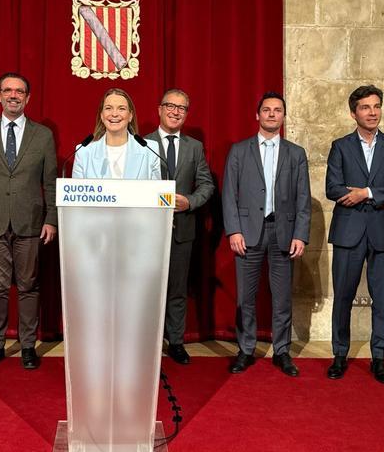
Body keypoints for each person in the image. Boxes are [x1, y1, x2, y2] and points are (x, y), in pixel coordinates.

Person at [0, 72, 57, 370]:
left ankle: (28, 345)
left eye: (20, 91)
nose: (14, 95)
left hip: (30, 223)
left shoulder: (42, 135)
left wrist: (51, 219)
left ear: (28, 97)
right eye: (8, 90)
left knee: (29, 285)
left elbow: (51, 183)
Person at [325, 85, 384, 384]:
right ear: (354, 113)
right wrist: (382, 198)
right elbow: (333, 188)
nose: (372, 112)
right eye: (365, 107)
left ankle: (379, 359)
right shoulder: (340, 146)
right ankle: (339, 355)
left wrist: (366, 193)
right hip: (349, 231)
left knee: (383, 298)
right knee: (343, 297)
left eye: (376, 106)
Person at [222, 92, 311, 376]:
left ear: (284, 117)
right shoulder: (239, 150)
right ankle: (246, 349)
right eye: (267, 110)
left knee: (282, 297)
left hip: (283, 232)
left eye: (278, 110)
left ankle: (282, 351)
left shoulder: (296, 154)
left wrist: (300, 234)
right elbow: (228, 195)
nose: (272, 114)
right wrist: (234, 230)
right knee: (245, 297)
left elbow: (303, 198)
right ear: (257, 115)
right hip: (247, 233)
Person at [143, 89, 214, 364]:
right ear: (159, 109)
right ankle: (146, 343)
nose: (175, 112)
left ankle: (176, 342)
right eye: (170, 106)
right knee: (146, 289)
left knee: (177, 289)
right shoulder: (140, 143)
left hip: (182, 229)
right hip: (146, 231)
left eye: (181, 108)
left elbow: (207, 184)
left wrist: (191, 202)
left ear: (187, 114)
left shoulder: (194, 147)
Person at [72, 88, 162, 180]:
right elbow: (76, 193)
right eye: (108, 108)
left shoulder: (150, 150)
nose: (114, 114)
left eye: (121, 109)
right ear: (101, 115)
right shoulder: (83, 152)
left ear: (130, 116)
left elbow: (157, 191)